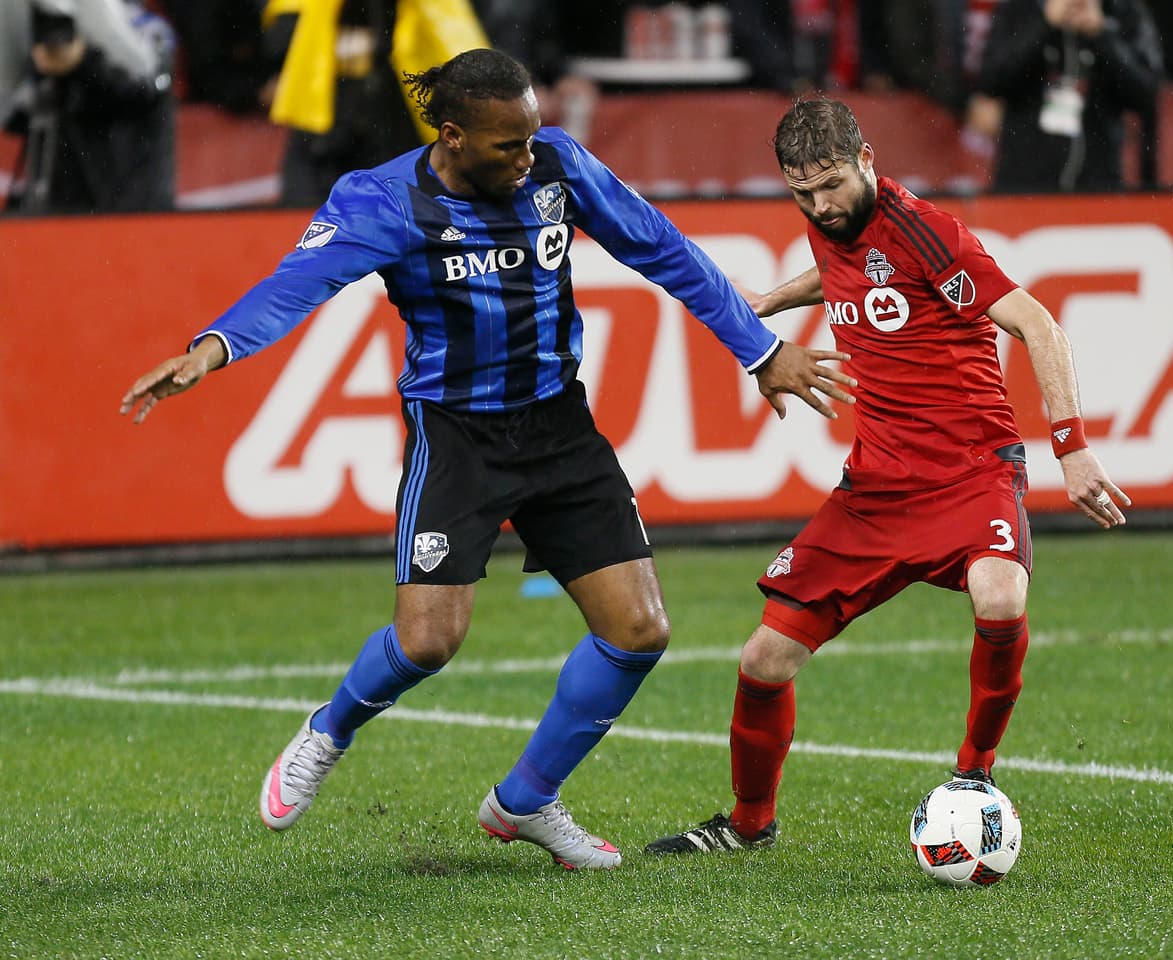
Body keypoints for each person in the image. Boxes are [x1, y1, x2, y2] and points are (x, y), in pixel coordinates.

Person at [118, 49, 855, 870]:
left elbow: (663, 247)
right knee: (430, 640)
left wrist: (758, 350)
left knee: (639, 628)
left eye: (534, 137)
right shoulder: (383, 200)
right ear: (453, 134)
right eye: (508, 145)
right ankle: (329, 729)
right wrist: (212, 347)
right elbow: (296, 286)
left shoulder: (557, 169)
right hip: (457, 436)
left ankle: (526, 801)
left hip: (557, 429)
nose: (527, 157)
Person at [645, 96, 1129, 856]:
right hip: (875, 489)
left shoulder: (929, 233)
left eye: (832, 184)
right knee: (763, 660)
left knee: (1000, 593)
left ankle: (974, 775)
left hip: (973, 471)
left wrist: (1071, 447)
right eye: (803, 193)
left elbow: (1039, 325)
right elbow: (848, 272)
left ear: (867, 159)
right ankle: (748, 824)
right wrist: (773, 299)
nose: (821, 205)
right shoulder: (833, 217)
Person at [262, 0, 488, 207]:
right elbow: (283, 30)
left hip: (393, 100)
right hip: (330, 101)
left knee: (397, 191)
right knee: (311, 195)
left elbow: (450, 34)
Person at [3, 0, 175, 213]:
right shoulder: (36, 33)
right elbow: (13, 117)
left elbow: (145, 88)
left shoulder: (146, 28)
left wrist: (84, 61)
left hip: (133, 207)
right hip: (60, 206)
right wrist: (37, 75)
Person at [978, 0, 1161, 193]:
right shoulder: (1019, 8)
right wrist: (1045, 25)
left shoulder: (1123, 10)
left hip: (1099, 180)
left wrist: (1101, 35)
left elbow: (1146, 92)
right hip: (1025, 179)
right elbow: (991, 82)